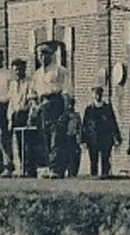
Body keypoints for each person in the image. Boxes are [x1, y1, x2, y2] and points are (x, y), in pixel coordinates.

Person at [30, 44, 73, 177]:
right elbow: (32, 93)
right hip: (43, 106)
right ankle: (48, 167)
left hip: (56, 104)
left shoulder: (59, 71)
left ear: (51, 55)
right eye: (40, 55)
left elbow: (66, 91)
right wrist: (35, 107)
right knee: (45, 138)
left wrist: (66, 111)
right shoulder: (37, 74)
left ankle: (57, 169)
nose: (42, 57)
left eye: (45, 54)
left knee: (57, 137)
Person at [81, 86, 121, 178]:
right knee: (93, 159)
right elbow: (85, 126)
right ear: (93, 95)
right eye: (95, 94)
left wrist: (117, 137)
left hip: (105, 138)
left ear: (101, 95)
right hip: (93, 138)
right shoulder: (89, 109)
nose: (97, 96)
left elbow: (113, 123)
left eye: (99, 94)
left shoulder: (107, 108)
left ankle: (105, 175)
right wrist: (83, 140)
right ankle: (94, 176)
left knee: (105, 158)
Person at [7, 59, 38, 177]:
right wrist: (10, 119)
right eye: (15, 69)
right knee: (19, 142)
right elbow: (11, 102)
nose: (17, 72)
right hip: (16, 115)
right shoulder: (12, 84)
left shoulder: (30, 82)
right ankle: (22, 168)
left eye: (20, 69)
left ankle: (30, 169)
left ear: (24, 69)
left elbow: (31, 100)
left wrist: (31, 116)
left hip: (26, 114)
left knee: (28, 143)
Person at [59, 97, 84, 177]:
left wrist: (79, 138)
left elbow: (79, 127)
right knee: (66, 155)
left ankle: (73, 171)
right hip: (65, 138)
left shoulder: (76, 116)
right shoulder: (63, 116)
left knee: (74, 155)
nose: (70, 106)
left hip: (73, 137)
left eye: (71, 104)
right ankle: (65, 171)